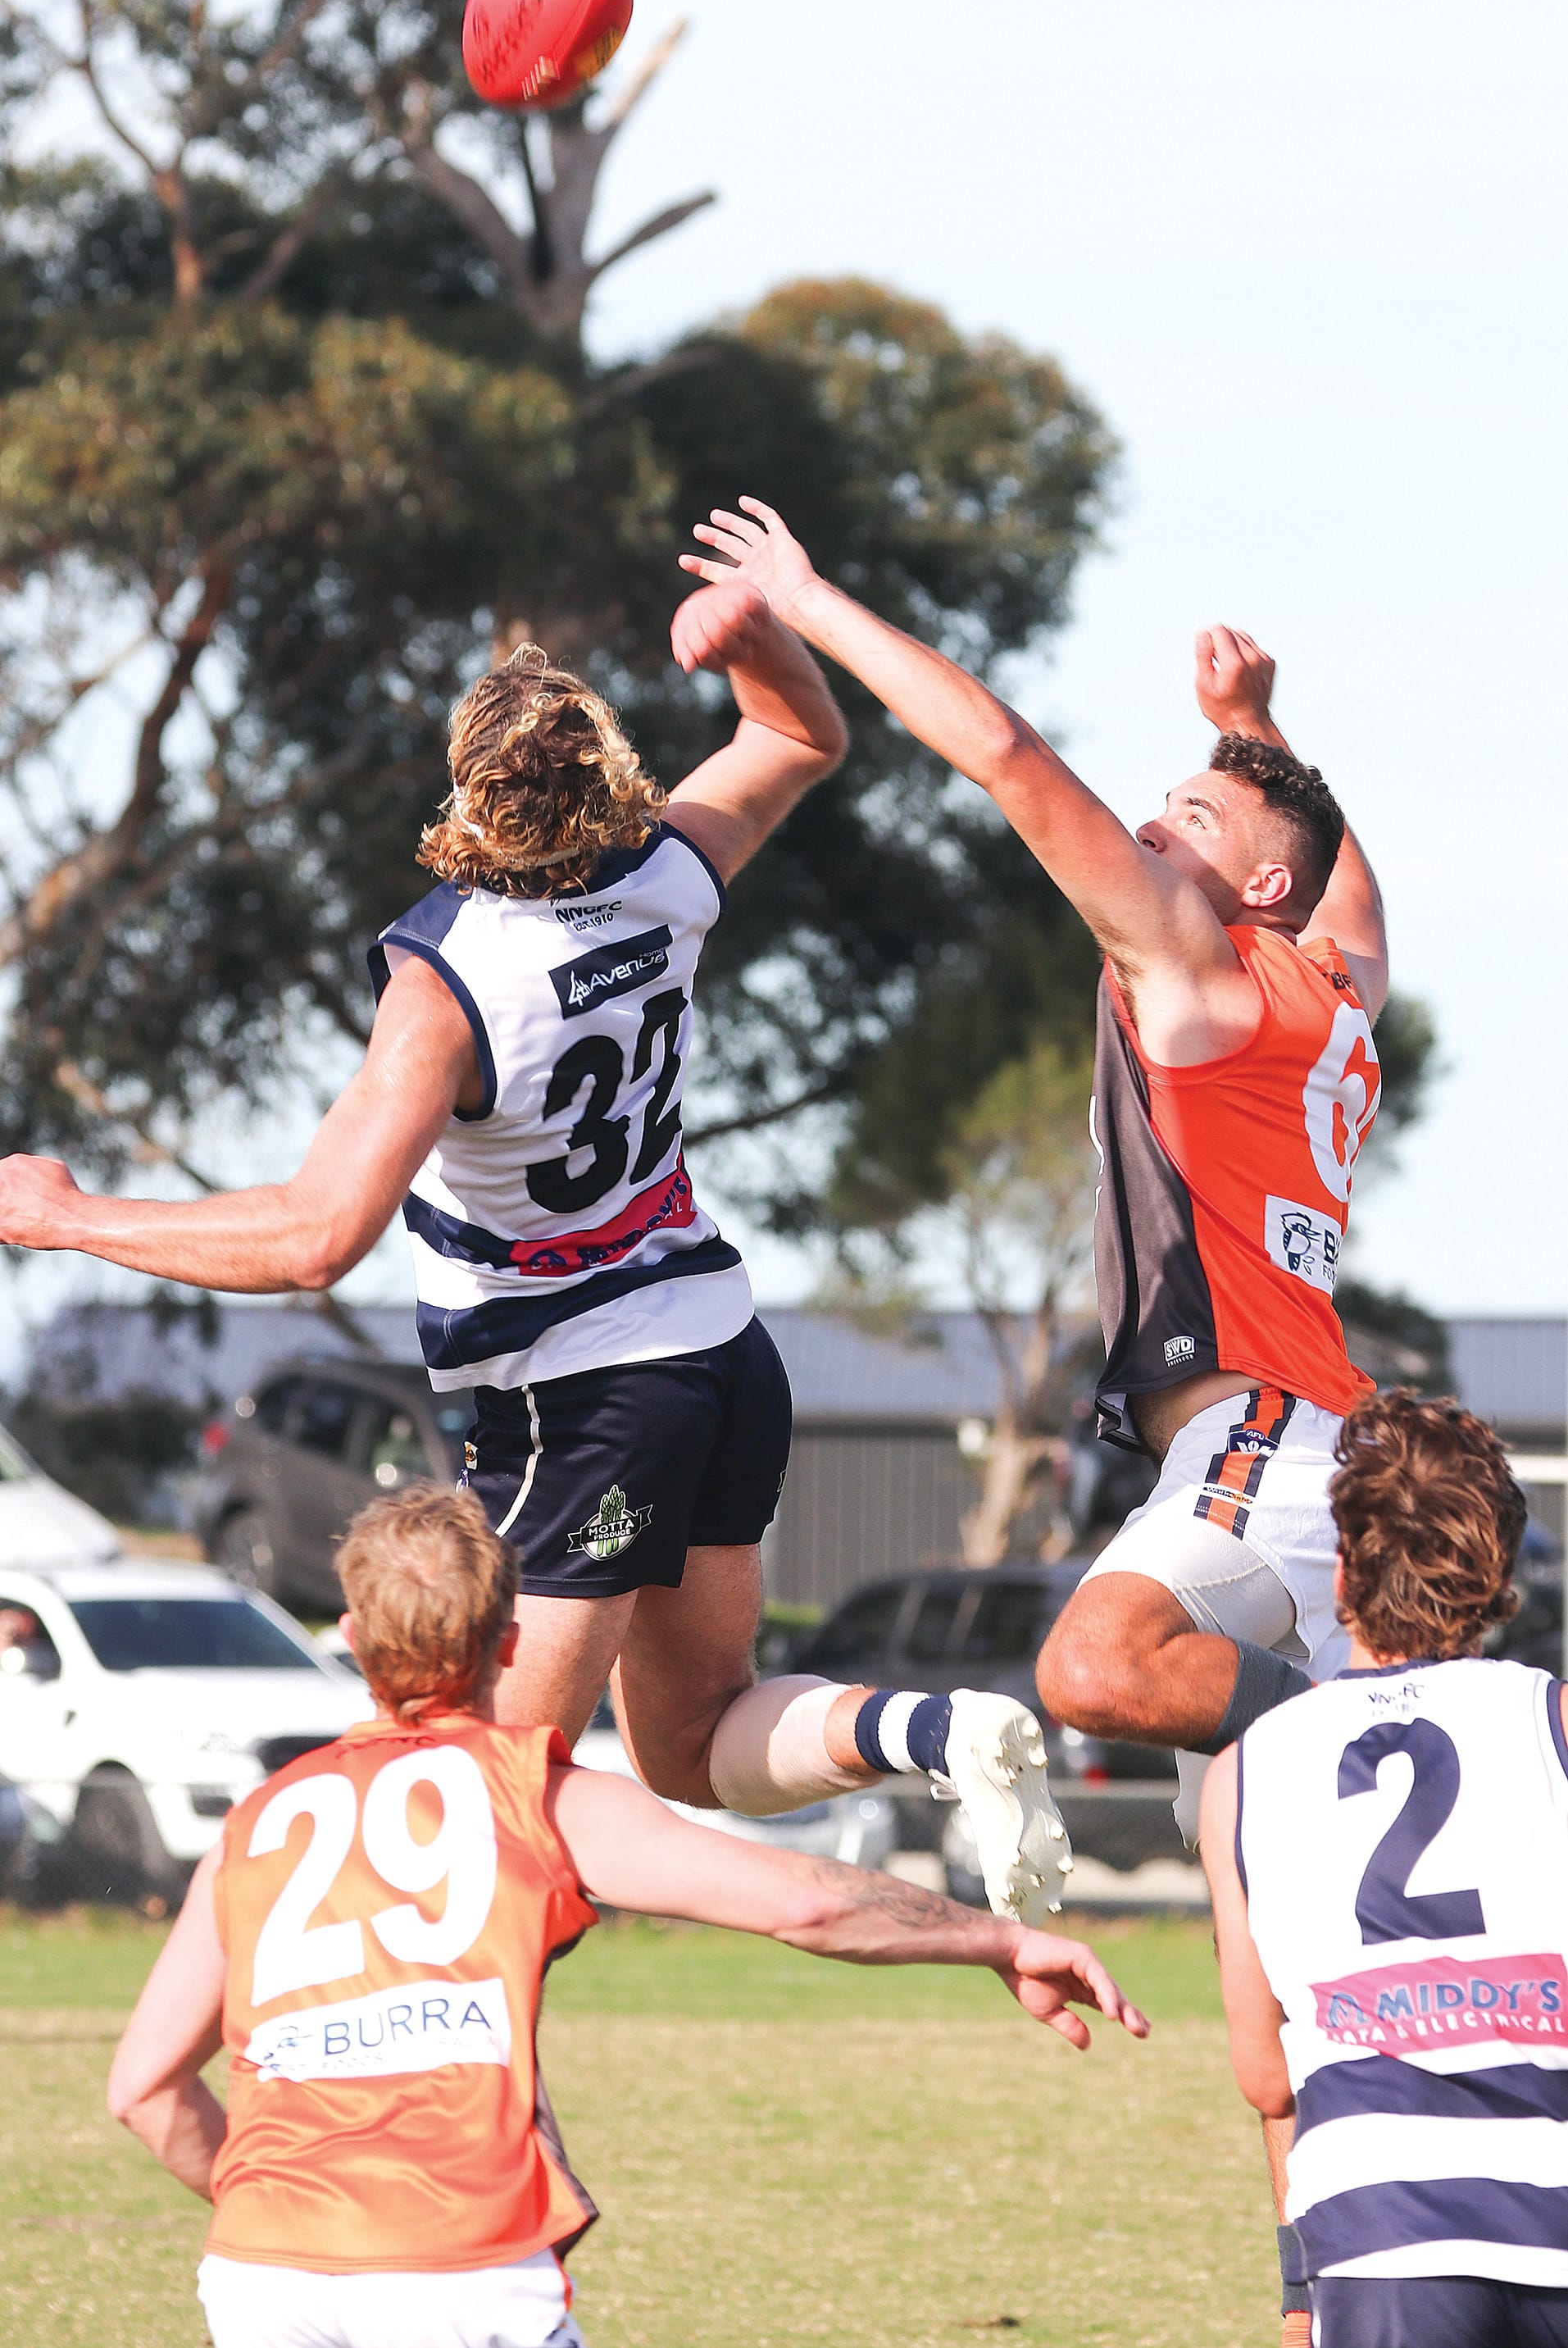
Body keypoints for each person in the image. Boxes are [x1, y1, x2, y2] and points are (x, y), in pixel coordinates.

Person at [0, 584, 1072, 1921]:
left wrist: (65, 1215)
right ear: (612, 781)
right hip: (721, 1352)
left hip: (584, 1404)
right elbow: (800, 734)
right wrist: (755, 642)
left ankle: (447, 2054)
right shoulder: (669, 874)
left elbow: (314, 1236)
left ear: (468, 792)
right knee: (688, 1741)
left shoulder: (446, 983)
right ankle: (935, 1728)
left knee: (487, 1788)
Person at [675, 499, 1388, 1795]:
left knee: (1095, 1673)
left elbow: (1005, 753)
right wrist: (1252, 729)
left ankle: (1399, 1731)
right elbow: (1354, 897)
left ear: (1260, 890)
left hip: (1262, 1433)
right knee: (1251, 1835)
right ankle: (1395, 1743)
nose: (1153, 827)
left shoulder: (1200, 972)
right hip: (1318, 1445)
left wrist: (806, 597)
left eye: (1193, 814)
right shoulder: (1331, 991)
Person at [108, 1486, 1149, 2348]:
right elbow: (803, 1900)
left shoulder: (254, 1824)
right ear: (509, 1642)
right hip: (459, 2265)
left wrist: (285, 2213)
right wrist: (998, 1936)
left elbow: (145, 2090)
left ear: (349, 1637)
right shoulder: (536, 1792)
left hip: (261, 2278)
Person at [1200, 1390, 1568, 2348]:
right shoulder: (1554, 1719)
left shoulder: (1244, 1771)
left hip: (1378, 2230)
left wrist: (1298, 2293)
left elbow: (1265, 2074)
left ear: (1341, 1569)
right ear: (1496, 1572)